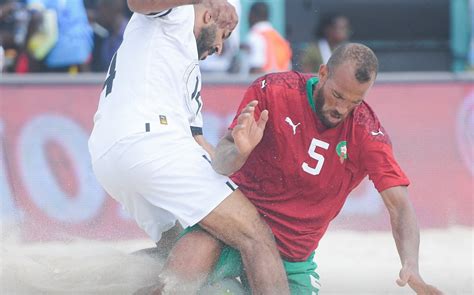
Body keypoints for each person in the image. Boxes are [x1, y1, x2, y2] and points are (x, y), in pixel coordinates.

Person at [173, 43, 443, 294]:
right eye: (337, 95)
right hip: (234, 228)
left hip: (292, 256)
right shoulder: (274, 91)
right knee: (173, 278)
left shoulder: (367, 132)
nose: (341, 108)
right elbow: (222, 162)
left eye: (354, 102)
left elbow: (400, 206)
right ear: (323, 73)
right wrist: (239, 153)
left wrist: (411, 264)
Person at [87, 0, 289, 294]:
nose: (220, 48)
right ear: (208, 14)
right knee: (255, 234)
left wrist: (239, 154)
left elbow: (199, 145)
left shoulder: (187, 70)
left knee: (184, 252)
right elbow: (136, 3)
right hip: (150, 141)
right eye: (225, 32)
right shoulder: (177, 14)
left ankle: (87, 279)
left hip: (111, 156)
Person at [243, 1, 291, 74]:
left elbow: (255, 69)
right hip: (281, 82)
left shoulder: (254, 36)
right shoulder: (278, 37)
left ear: (252, 15)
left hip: (264, 83)